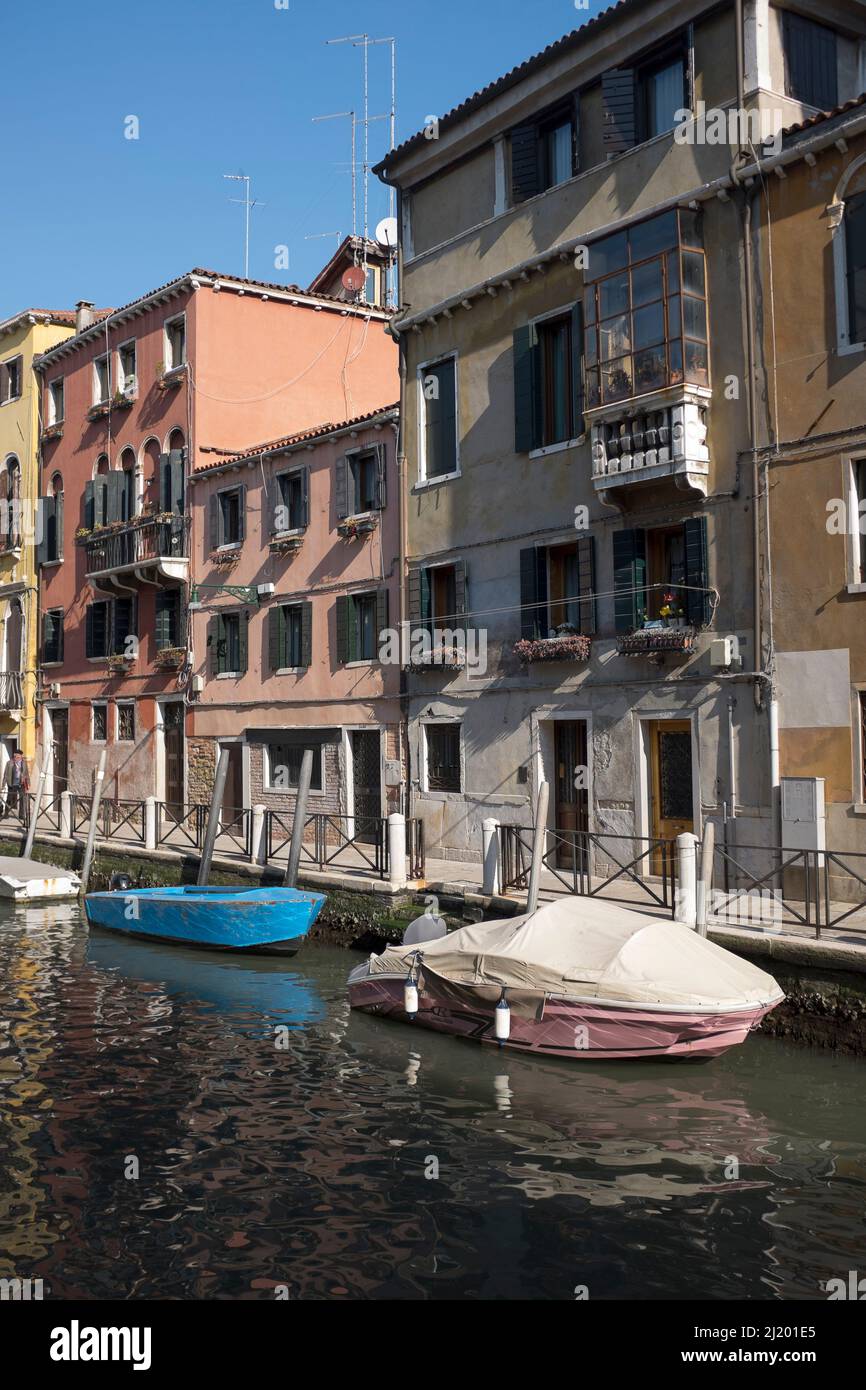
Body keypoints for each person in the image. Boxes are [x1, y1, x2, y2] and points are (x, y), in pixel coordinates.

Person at [4, 748, 30, 819]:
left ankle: (21, 815)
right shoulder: (9, 763)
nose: (16, 758)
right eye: (15, 756)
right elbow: (5, 774)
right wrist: (3, 785)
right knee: (9, 798)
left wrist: (28, 783)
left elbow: (26, 774)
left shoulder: (24, 763)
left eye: (18, 757)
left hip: (21, 784)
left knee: (22, 799)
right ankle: (6, 813)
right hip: (12, 784)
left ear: (21, 756)